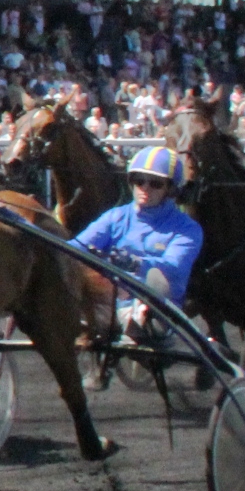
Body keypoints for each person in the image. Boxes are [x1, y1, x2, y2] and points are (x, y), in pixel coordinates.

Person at [74, 144, 204, 355]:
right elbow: (74, 248)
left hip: (160, 304)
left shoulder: (187, 229)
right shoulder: (115, 217)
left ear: (170, 189)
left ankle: (138, 323)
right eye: (138, 181)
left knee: (154, 279)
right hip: (111, 299)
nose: (145, 188)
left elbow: (173, 267)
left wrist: (136, 263)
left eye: (155, 183)